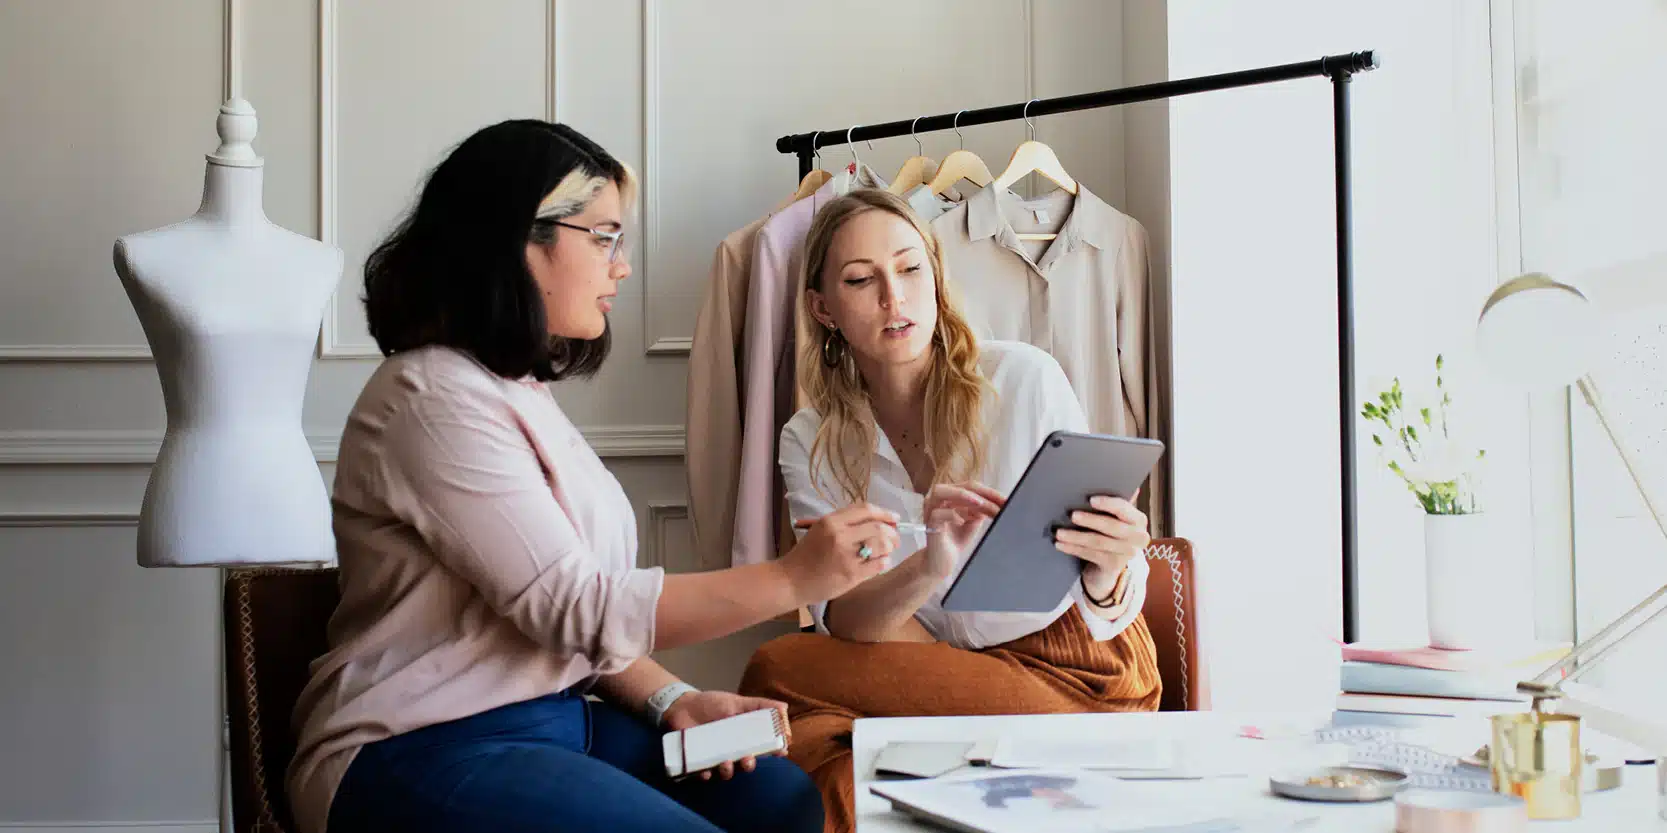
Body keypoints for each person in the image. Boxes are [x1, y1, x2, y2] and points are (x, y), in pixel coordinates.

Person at [285, 120, 906, 833]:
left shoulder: (514, 391)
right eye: (604, 236)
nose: (623, 265)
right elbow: (575, 607)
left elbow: (568, 620)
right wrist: (795, 578)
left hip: (552, 719)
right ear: (518, 239)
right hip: (417, 743)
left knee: (781, 796)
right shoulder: (428, 400)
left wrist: (673, 699)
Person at [737, 189, 1163, 832]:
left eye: (910, 269)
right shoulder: (809, 438)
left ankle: (903, 742)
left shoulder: (1024, 380)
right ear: (823, 309)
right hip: (932, 668)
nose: (894, 298)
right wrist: (930, 566)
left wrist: (1110, 565)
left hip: (1074, 671)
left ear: (935, 276)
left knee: (782, 672)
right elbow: (848, 620)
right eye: (861, 280)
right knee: (818, 737)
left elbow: (1103, 594)